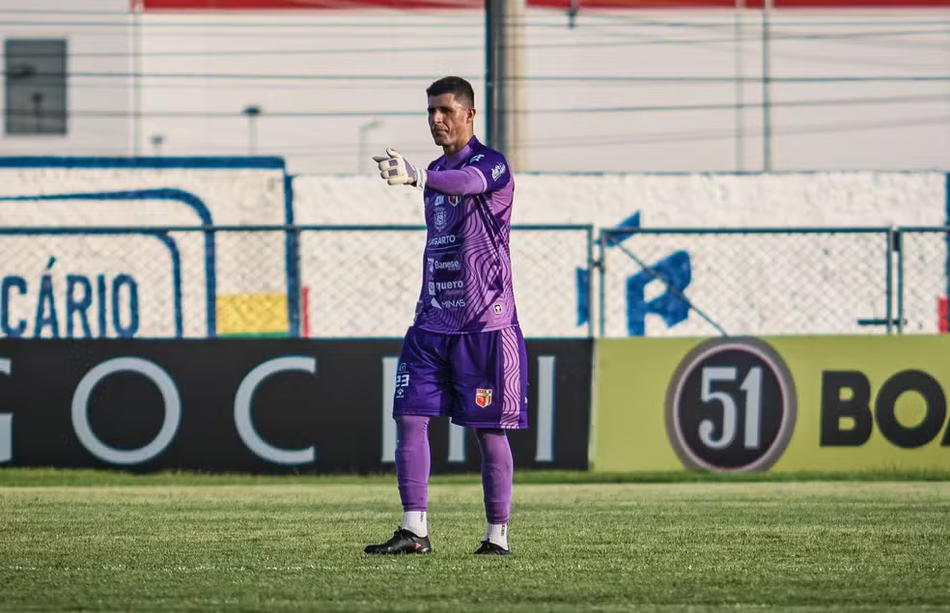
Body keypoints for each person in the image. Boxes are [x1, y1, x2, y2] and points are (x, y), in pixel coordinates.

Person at [364, 76, 528, 556]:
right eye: (432, 111)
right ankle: (414, 531)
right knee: (409, 417)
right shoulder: (434, 171)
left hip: (485, 324)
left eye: (446, 111)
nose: (437, 119)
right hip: (432, 322)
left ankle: (497, 536)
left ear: (470, 115)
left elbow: (466, 183)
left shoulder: (489, 164)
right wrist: (423, 176)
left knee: (488, 430)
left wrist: (418, 176)